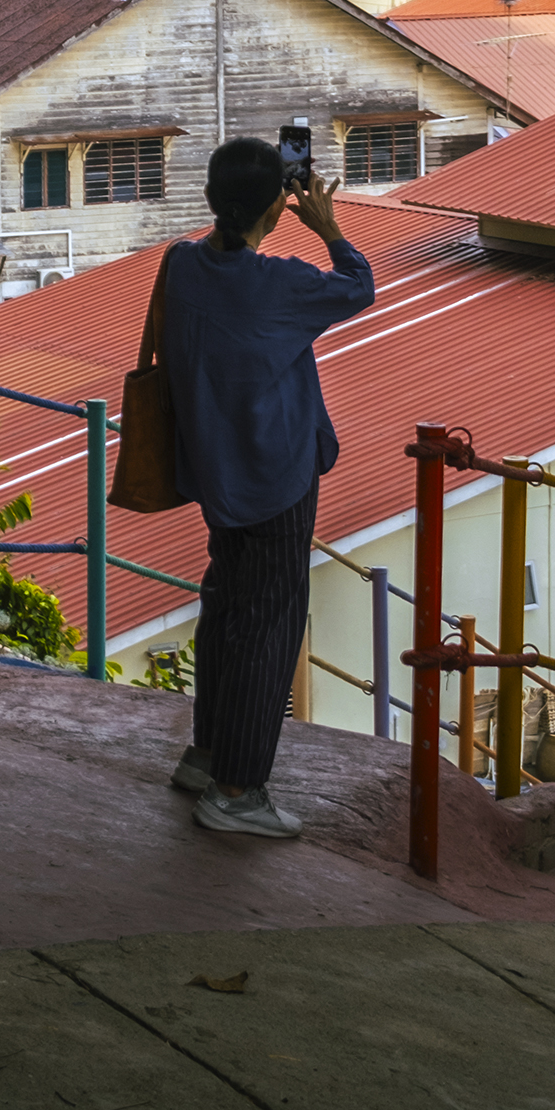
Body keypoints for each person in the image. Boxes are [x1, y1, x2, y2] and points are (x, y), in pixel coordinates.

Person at [161, 135, 374, 839]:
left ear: (209, 200)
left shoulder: (182, 266)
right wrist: (329, 226)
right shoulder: (280, 282)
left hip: (216, 475)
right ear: (280, 206)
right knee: (270, 628)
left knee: (226, 608)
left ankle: (207, 752)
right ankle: (237, 790)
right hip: (277, 478)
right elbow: (357, 287)